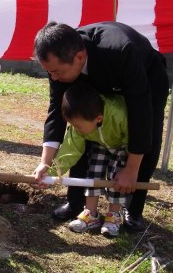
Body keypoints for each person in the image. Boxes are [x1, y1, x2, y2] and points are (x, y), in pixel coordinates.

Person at [33, 21, 169, 231]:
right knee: (82, 126)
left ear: (79, 57)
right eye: (49, 72)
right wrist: (45, 162)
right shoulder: (60, 61)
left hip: (146, 80)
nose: (53, 77)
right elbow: (56, 112)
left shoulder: (121, 50)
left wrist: (131, 170)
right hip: (95, 78)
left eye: (56, 71)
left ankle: (133, 208)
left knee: (146, 134)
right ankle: (77, 202)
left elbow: (140, 114)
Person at [38, 81, 129, 237]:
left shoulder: (119, 114)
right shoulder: (79, 125)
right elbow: (70, 150)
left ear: (99, 118)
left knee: (116, 176)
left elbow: (133, 138)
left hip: (122, 145)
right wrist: (51, 173)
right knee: (93, 172)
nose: (76, 129)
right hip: (100, 144)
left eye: (79, 126)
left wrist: (130, 167)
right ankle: (91, 214)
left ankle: (113, 215)